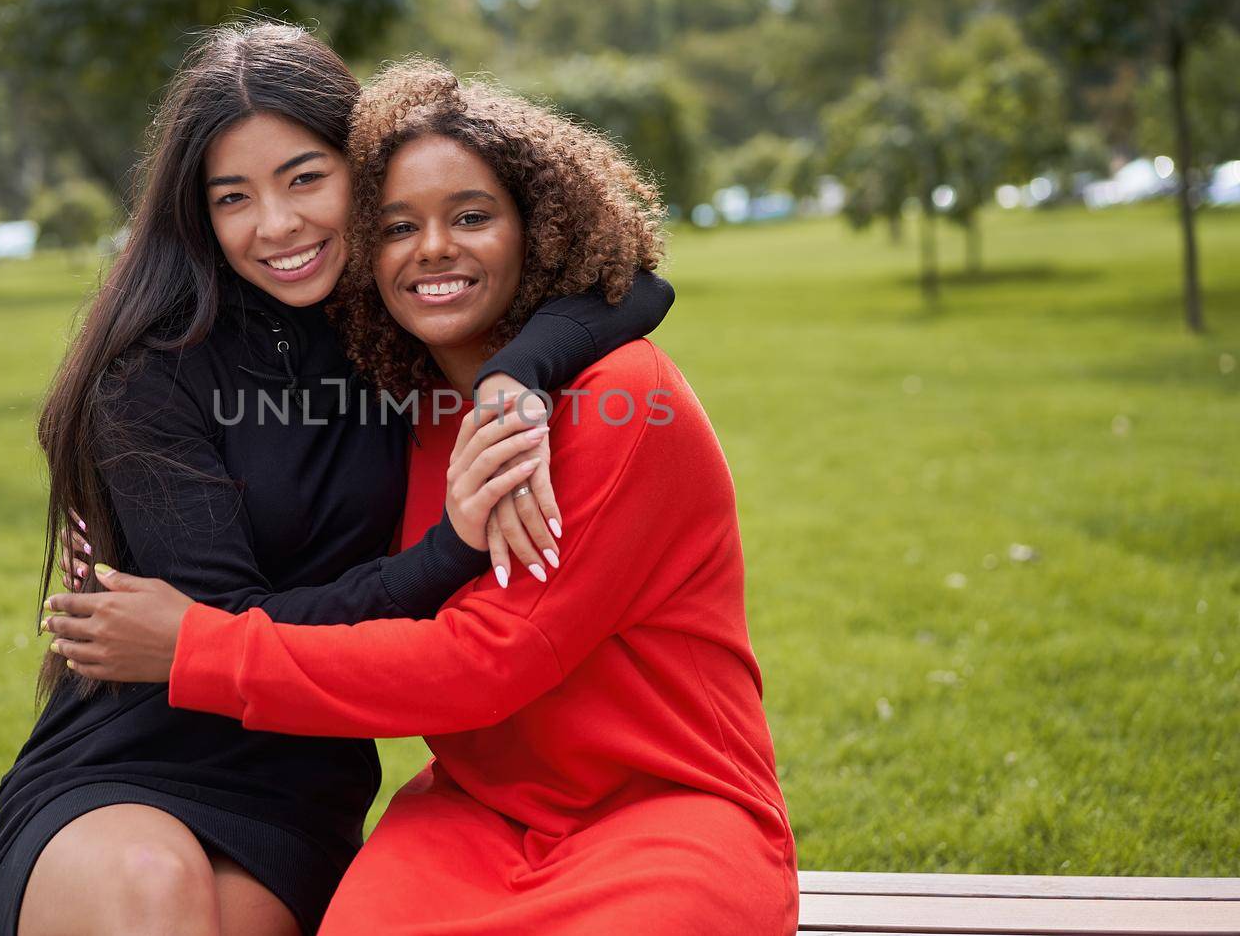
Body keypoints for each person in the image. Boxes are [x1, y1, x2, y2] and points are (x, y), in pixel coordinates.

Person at [65, 60, 799, 934]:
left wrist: (196, 643)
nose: (433, 248)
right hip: (476, 812)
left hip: (665, 807)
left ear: (539, 225)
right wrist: (129, 516)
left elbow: (485, 661)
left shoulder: (623, 401)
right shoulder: (396, 401)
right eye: (398, 225)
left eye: (473, 217)